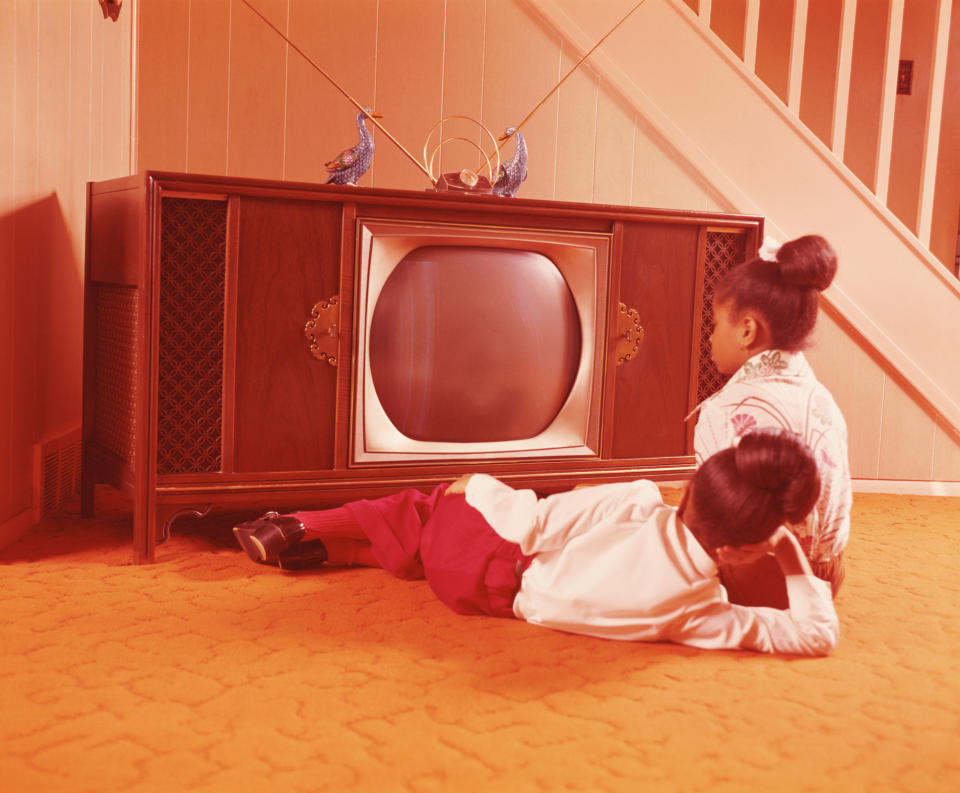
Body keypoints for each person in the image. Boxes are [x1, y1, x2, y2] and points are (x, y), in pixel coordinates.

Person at [233, 429, 839, 656]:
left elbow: (534, 523)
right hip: (482, 598)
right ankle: (331, 554)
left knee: (422, 508)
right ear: (735, 551)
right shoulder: (700, 614)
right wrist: (786, 555)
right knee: (422, 553)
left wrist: (476, 485)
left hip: (484, 555)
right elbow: (813, 635)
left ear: (694, 486)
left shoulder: (638, 499)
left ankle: (303, 526)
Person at [692, 234, 852, 608]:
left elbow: (711, 525)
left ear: (747, 331)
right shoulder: (822, 400)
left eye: (715, 325)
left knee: (646, 516)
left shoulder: (722, 410)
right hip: (826, 578)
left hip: (757, 581)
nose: (711, 337)